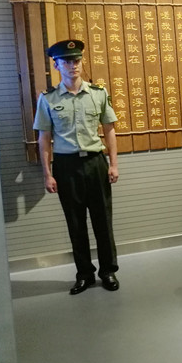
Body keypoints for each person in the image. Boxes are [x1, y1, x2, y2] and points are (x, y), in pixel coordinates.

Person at [33, 40, 120, 295]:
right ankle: (84, 274)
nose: (74, 66)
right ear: (57, 65)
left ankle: (108, 271)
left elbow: (109, 130)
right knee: (75, 222)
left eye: (77, 60)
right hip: (66, 166)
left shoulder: (98, 93)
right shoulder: (48, 99)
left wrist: (113, 164)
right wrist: (47, 174)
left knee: (103, 220)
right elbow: (44, 139)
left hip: (95, 163)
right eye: (67, 62)